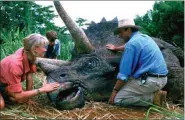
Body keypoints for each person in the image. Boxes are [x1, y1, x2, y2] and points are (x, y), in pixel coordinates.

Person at [106, 19, 168, 107]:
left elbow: (124, 75)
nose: (120, 35)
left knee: (118, 99)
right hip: (162, 79)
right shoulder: (144, 37)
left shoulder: (131, 45)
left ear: (128, 30)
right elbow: (129, 45)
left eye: (121, 32)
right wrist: (116, 48)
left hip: (151, 81)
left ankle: (154, 98)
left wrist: (114, 91)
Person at [0, 34, 60, 110]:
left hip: (5, 85)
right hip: (2, 84)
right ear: (35, 48)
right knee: (1, 105)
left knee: (22, 99)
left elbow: (29, 76)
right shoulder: (15, 64)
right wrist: (43, 89)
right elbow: (18, 95)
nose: (45, 49)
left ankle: (6, 95)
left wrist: (28, 99)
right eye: (44, 47)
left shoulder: (27, 52)